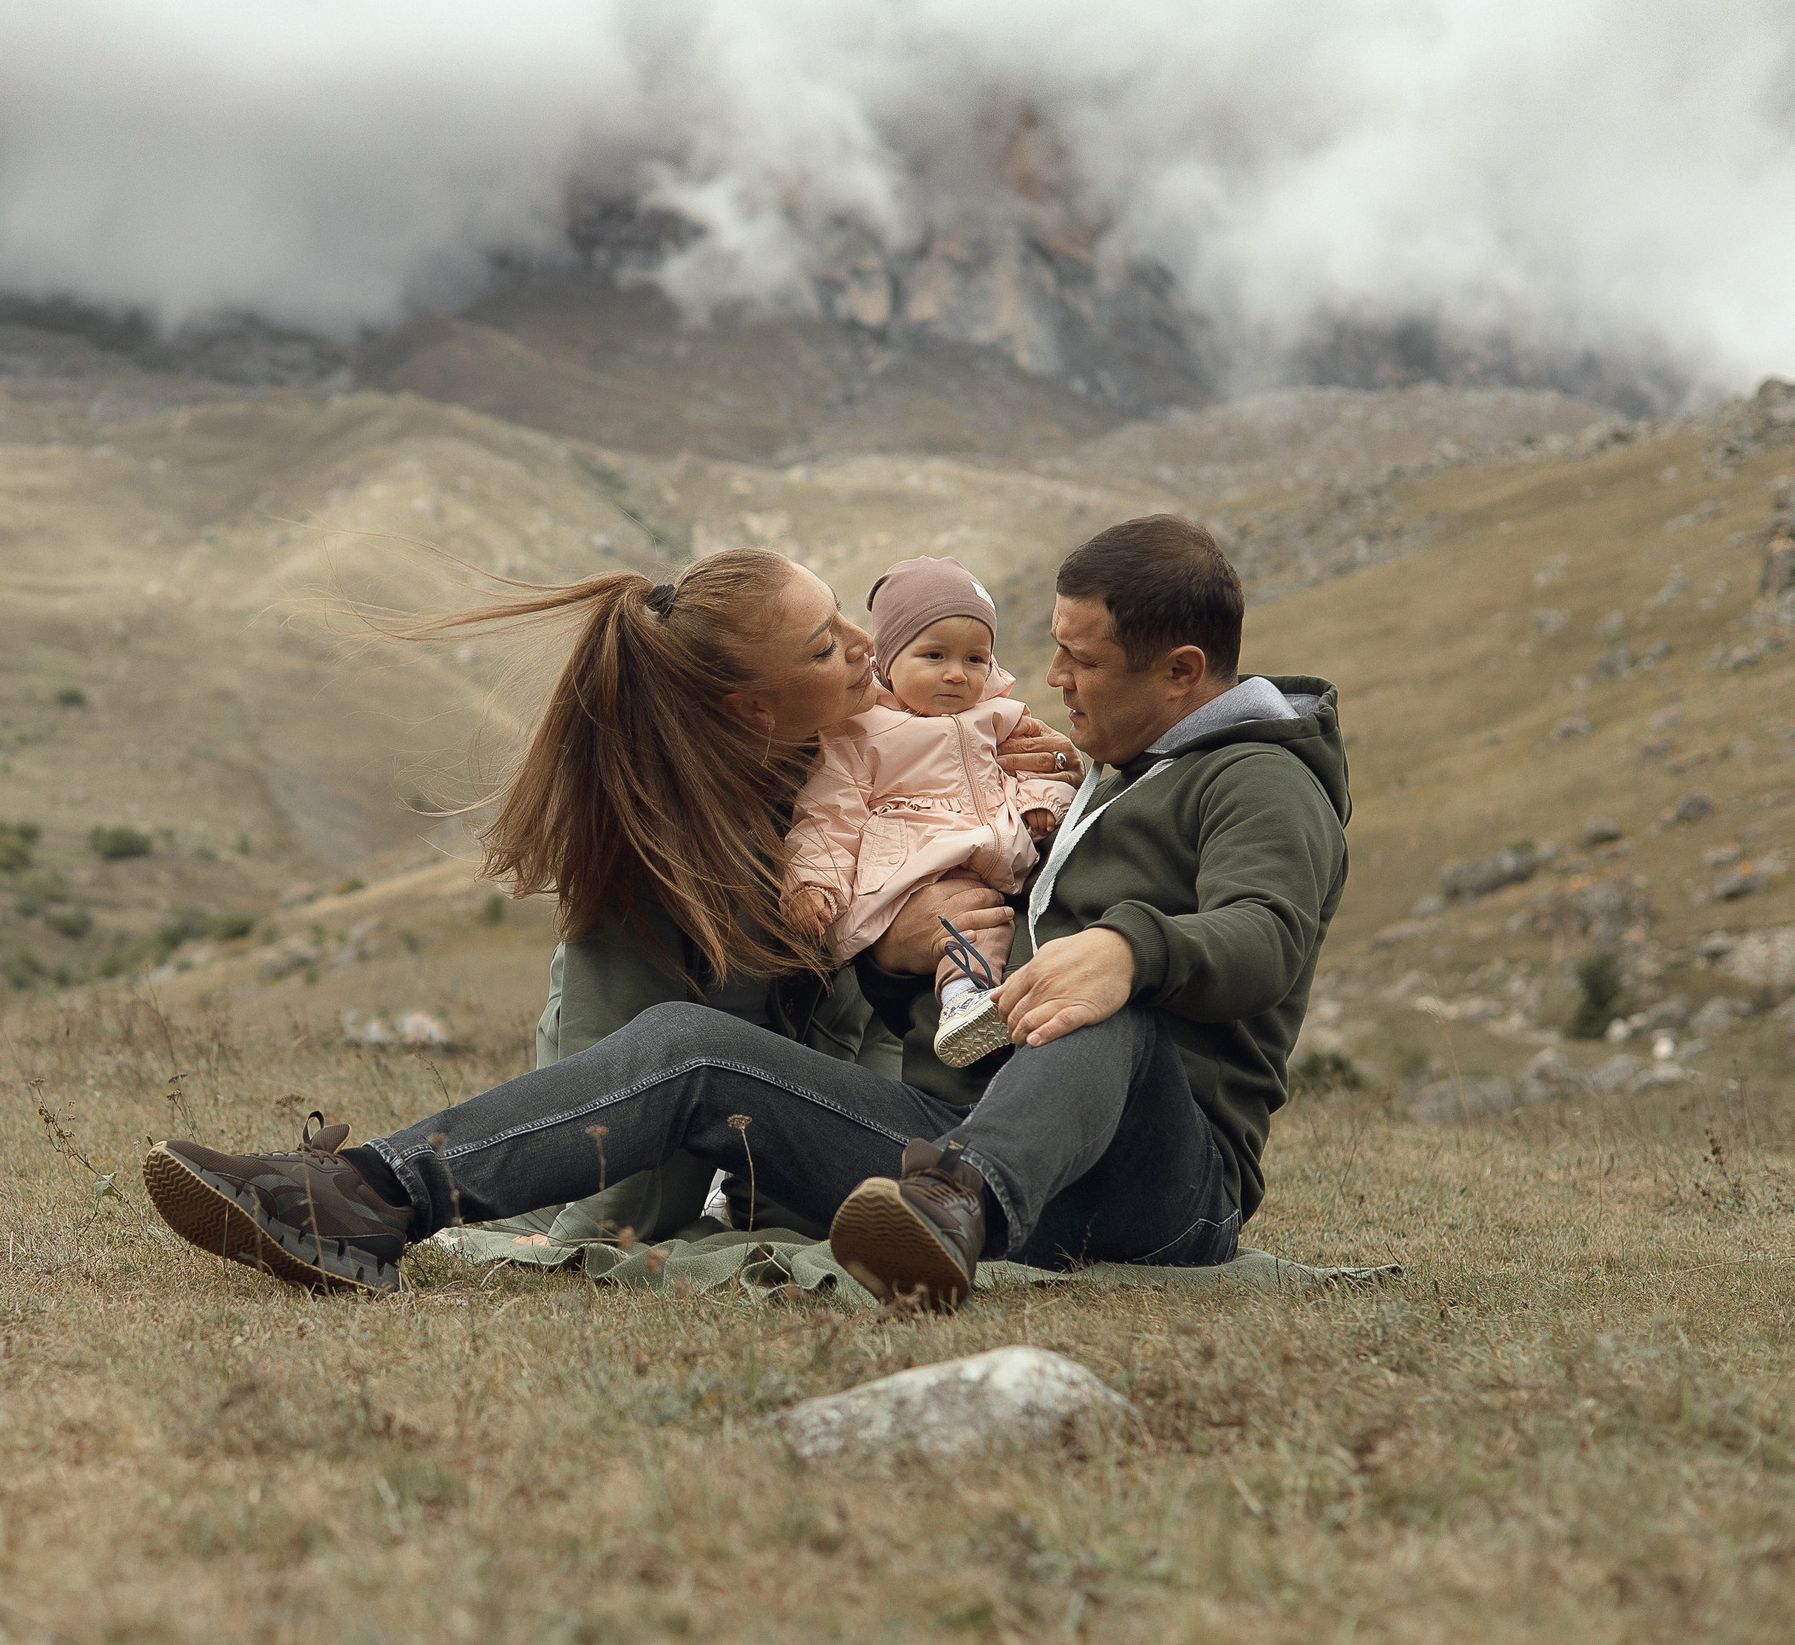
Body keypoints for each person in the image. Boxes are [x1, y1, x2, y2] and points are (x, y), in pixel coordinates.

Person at [142, 517, 1348, 1313]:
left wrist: (1128, 948)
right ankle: (360, 1200)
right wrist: (894, 950)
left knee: (1102, 1011)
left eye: (1077, 659)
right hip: (969, 1158)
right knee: (689, 1048)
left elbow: (1266, 941)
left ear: (1183, 672)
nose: (1049, 679)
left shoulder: (1259, 777)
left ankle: (958, 1205)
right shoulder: (1101, 767)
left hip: (1160, 1192)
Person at [782, 555, 1077, 1068]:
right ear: (888, 661)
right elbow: (829, 818)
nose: (956, 675)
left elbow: (1038, 773)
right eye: (934, 655)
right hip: (910, 868)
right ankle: (964, 1000)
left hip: (996, 853)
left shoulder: (1002, 717)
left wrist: (1039, 803)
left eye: (975, 660)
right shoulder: (859, 733)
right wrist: (814, 886)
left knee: (1014, 912)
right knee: (967, 919)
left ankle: (1010, 1020)